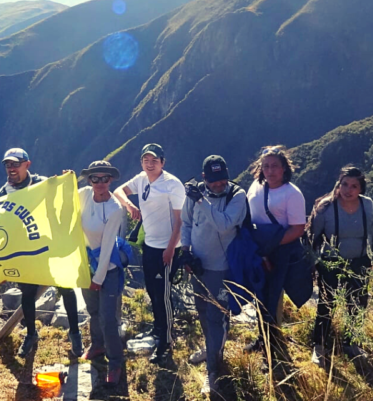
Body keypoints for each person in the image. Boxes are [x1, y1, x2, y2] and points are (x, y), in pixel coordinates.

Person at [0, 147, 82, 359]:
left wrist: (67, 181)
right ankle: (31, 334)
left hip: (51, 245)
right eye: (8, 164)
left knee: (66, 288)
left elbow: (64, 197)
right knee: (28, 293)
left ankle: (75, 332)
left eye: (16, 164)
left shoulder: (44, 183)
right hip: (24, 249)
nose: (11, 168)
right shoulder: (1, 194)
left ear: (28, 164)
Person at [181, 155, 248, 396]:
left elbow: (224, 225)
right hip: (198, 266)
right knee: (201, 310)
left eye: (222, 180)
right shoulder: (195, 194)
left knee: (217, 317)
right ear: (204, 179)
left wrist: (201, 201)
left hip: (222, 268)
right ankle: (211, 350)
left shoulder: (237, 195)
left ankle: (213, 371)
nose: (219, 185)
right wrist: (185, 251)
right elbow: (186, 223)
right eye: (213, 181)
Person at [113, 143, 186, 363]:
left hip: (167, 247)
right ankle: (158, 330)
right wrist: (129, 206)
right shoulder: (142, 179)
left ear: (163, 162)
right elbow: (118, 191)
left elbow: (180, 220)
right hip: (150, 245)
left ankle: (166, 342)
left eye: (154, 160)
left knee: (163, 295)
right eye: (146, 160)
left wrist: (171, 249)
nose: (150, 163)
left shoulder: (172, 184)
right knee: (153, 292)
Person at [308, 166, 373, 366]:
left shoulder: (367, 205)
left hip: (360, 261)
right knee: (326, 304)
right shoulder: (326, 207)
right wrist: (313, 263)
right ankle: (319, 347)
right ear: (338, 184)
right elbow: (313, 237)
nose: (348, 190)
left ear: (361, 189)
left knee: (357, 304)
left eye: (354, 186)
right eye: (344, 184)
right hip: (331, 262)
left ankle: (351, 344)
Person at [245, 146, 312, 354]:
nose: (270, 170)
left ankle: (272, 348)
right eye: (266, 166)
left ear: (284, 168)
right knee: (259, 295)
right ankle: (263, 338)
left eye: (275, 166)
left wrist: (270, 246)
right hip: (257, 249)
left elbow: (298, 229)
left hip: (280, 252)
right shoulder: (255, 186)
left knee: (272, 298)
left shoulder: (292, 193)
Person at [78, 160, 129, 388]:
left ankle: (115, 361)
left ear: (111, 180)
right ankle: (97, 345)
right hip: (85, 263)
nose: (99, 183)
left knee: (109, 319)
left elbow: (108, 246)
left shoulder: (115, 209)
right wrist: (65, 179)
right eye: (95, 178)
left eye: (104, 178)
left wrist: (97, 278)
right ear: (89, 180)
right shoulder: (84, 194)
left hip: (107, 269)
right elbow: (61, 196)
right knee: (93, 310)